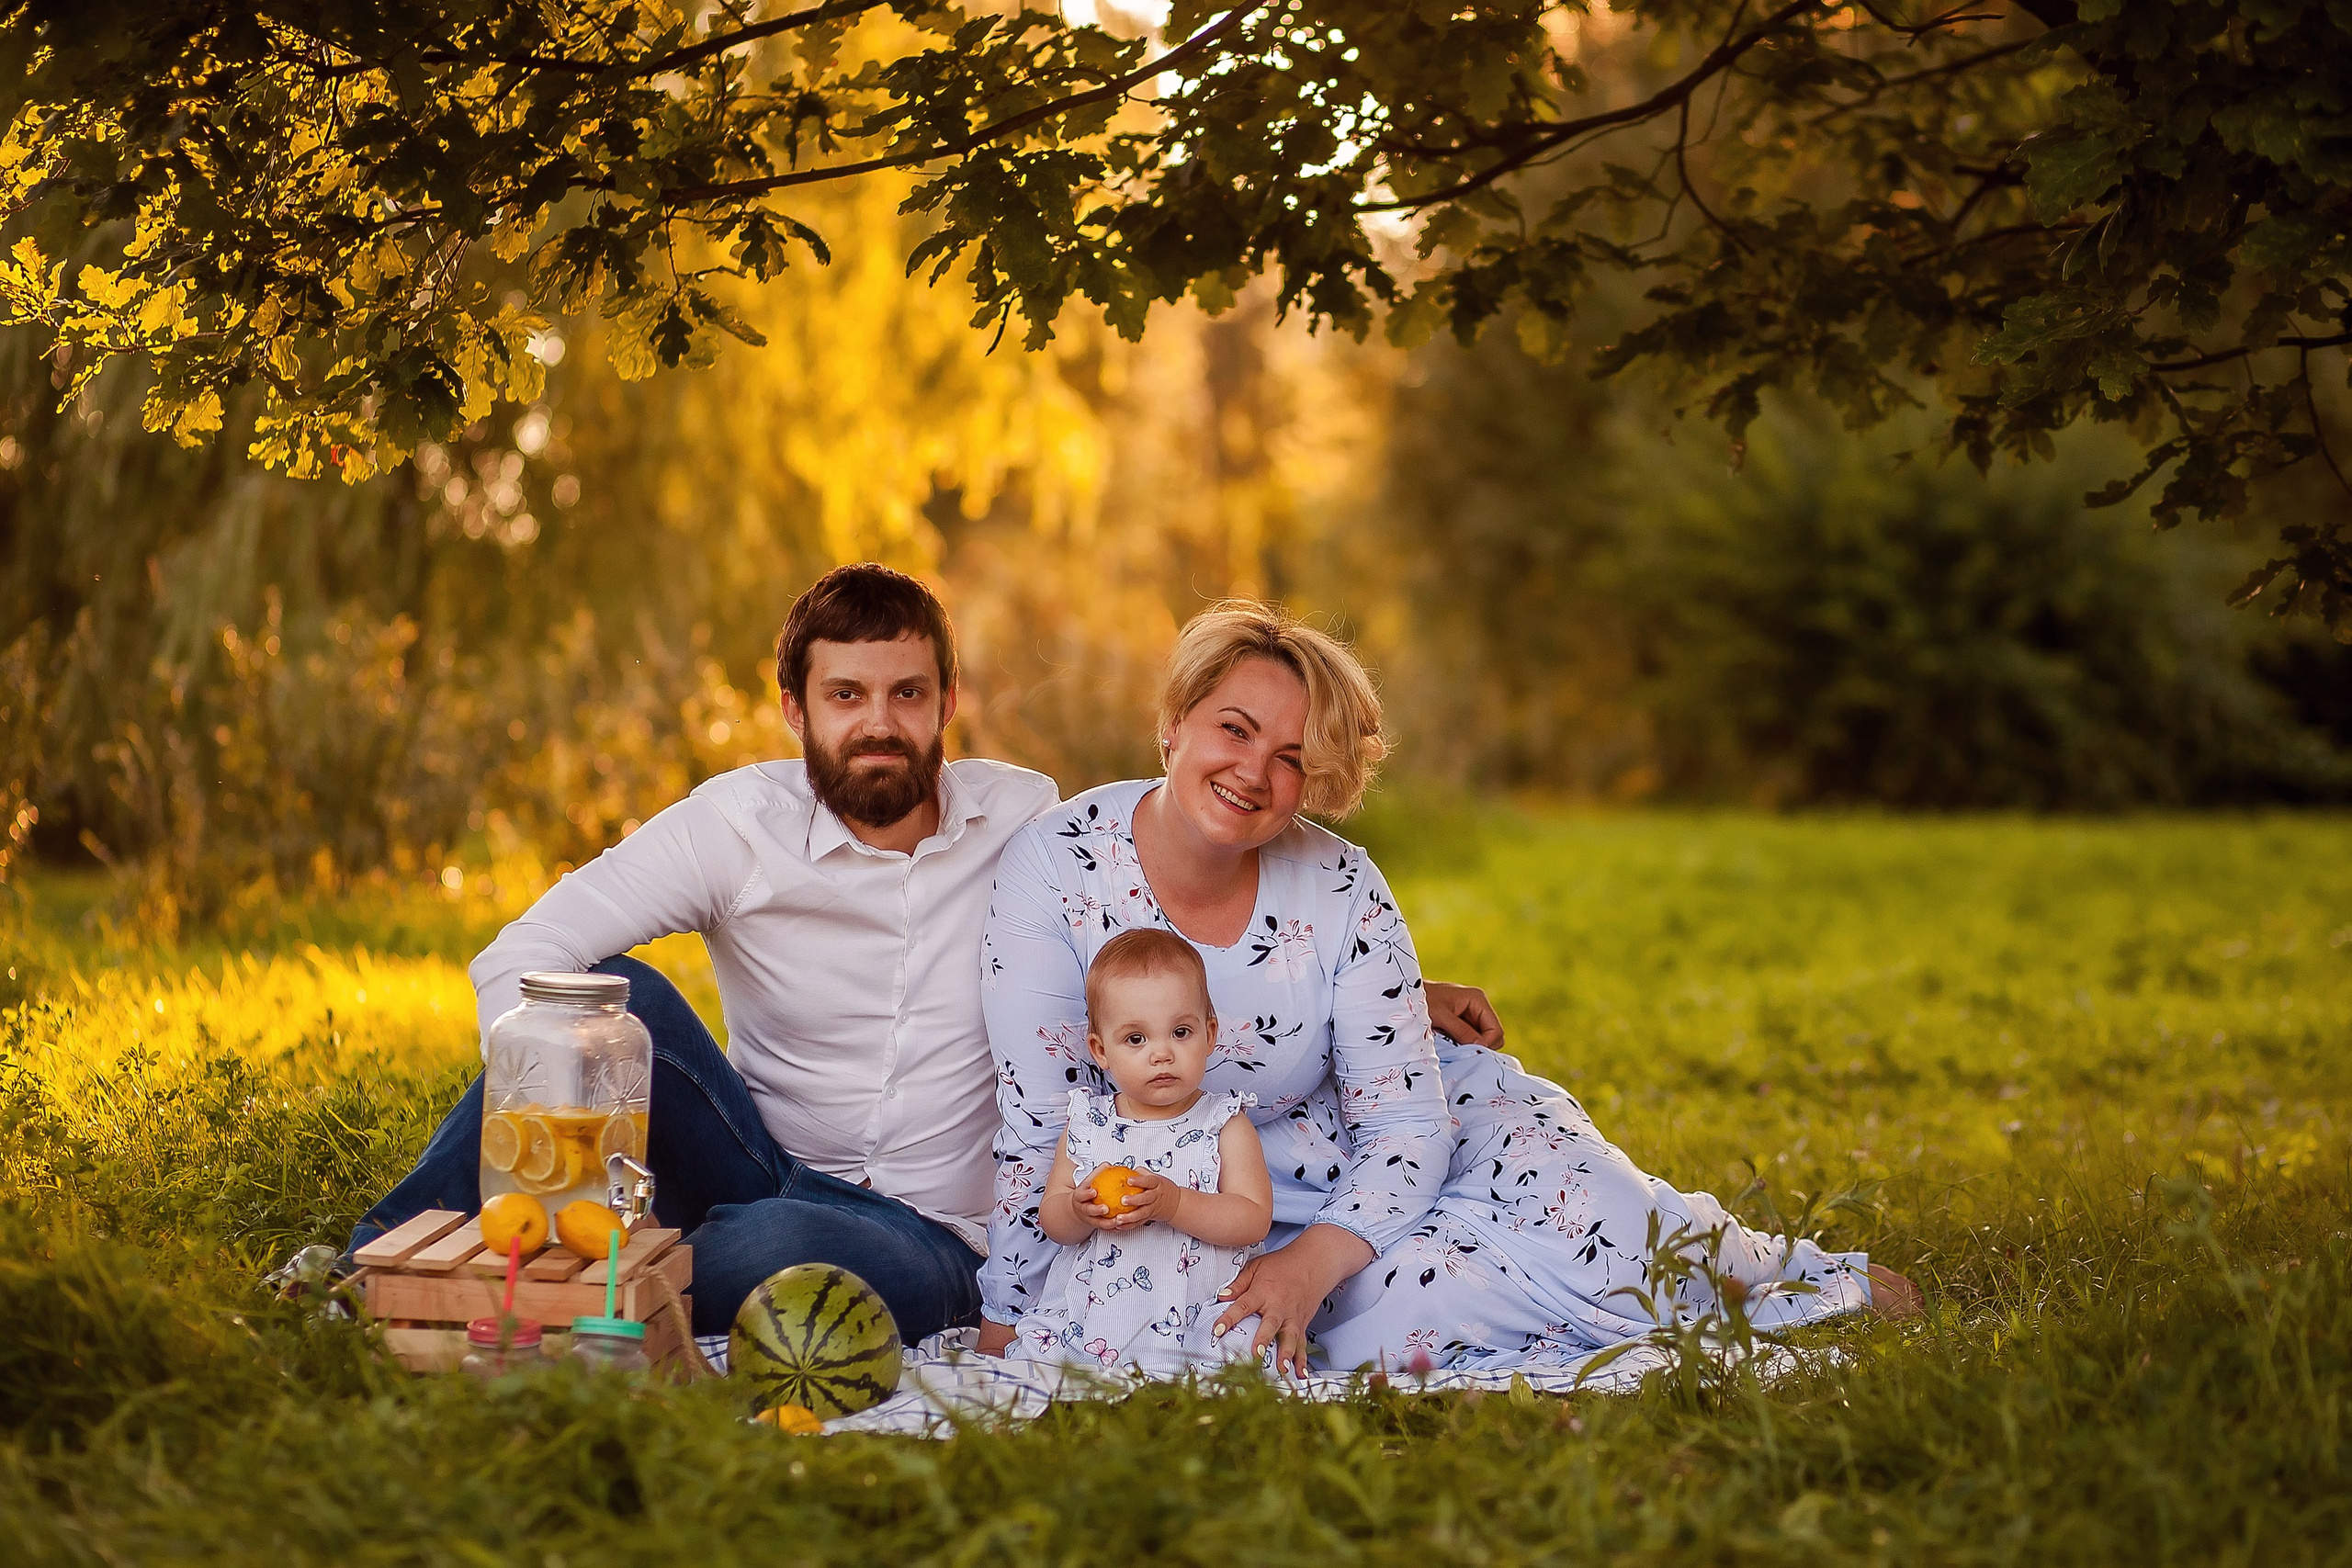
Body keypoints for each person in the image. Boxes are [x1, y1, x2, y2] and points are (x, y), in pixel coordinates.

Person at [346, 564, 1506, 1342]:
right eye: (845, 694)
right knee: (612, 1000)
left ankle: (640, 1269)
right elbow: (522, 954)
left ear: (949, 700)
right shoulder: (731, 824)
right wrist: (561, 1104)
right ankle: (371, 1265)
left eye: (907, 692)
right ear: (795, 708)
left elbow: (1176, 913)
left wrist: (1408, 989)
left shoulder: (1030, 822)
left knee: (773, 1251)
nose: (879, 721)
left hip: (930, 1231)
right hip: (756, 1155)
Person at [978, 600, 1919, 1376]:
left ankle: (1769, 1269)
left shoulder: (1342, 882)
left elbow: (1408, 1126)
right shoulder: (1057, 867)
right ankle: (1622, 1283)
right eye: (1234, 729)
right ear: (1174, 722)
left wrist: (1317, 1258)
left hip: (1398, 1146)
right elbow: (1038, 1123)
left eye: (1293, 759)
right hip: (1207, 1206)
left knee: (1604, 1225)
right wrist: (1009, 1323)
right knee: (1419, 1319)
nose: (1254, 773)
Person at [1003, 929, 1272, 1374]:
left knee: (1243, 1352)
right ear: (1100, 1050)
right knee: (1049, 1367)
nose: (1162, 1053)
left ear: (1209, 1035)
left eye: (1180, 1032)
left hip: (1196, 1311)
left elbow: (1252, 1218)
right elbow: (1052, 1219)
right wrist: (1077, 1209)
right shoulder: (1089, 1122)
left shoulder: (1224, 1122)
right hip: (1096, 1313)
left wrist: (1176, 1202)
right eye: (1135, 1039)